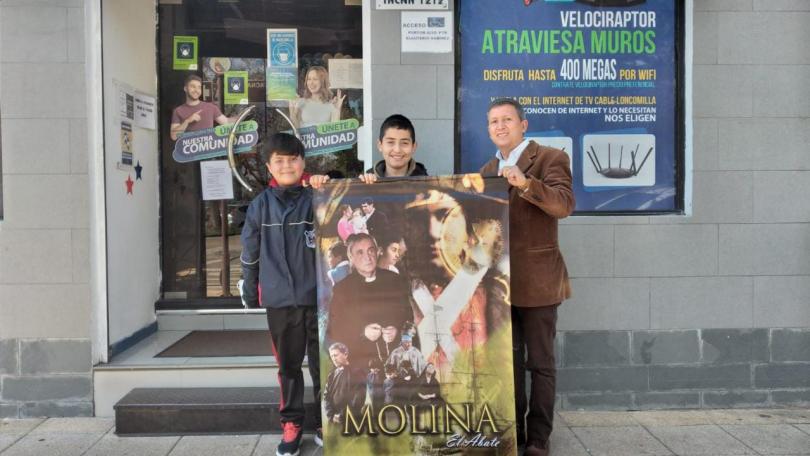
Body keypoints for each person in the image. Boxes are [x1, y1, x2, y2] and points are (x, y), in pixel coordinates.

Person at [479, 98, 575, 456]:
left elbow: (564, 205)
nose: (500, 126)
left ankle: (538, 438)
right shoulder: (488, 167)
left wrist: (526, 183)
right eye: (493, 122)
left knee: (541, 363)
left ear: (524, 124)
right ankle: (515, 433)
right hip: (500, 287)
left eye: (507, 120)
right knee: (509, 364)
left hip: (539, 282)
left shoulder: (550, 158)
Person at [239, 132, 329, 455]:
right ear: (268, 166)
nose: (287, 165)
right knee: (288, 367)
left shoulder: (318, 196)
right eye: (279, 160)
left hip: (319, 299)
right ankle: (291, 423)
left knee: (325, 366)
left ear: (303, 162)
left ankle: (324, 421)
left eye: (293, 159)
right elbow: (250, 253)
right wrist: (250, 291)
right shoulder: (260, 207)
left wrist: (325, 185)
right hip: (280, 301)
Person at [326, 233, 415, 372]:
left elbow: (408, 316)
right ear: (351, 257)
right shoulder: (342, 289)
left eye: (371, 250)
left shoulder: (394, 280)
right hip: (359, 364)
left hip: (394, 360)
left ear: (377, 252)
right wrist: (362, 332)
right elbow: (335, 330)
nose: (368, 257)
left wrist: (397, 331)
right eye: (360, 252)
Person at [360, 114, 428, 182]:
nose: (397, 150)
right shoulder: (368, 183)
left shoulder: (427, 185)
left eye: (404, 143)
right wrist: (364, 186)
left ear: (413, 147)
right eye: (390, 142)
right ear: (380, 145)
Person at [170, 74, 231, 140]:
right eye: (193, 86)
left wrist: (242, 116)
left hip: (208, 149)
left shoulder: (211, 107)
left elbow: (227, 122)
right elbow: (174, 136)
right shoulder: (178, 110)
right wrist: (187, 121)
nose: (196, 90)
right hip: (189, 149)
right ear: (185, 89)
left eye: (199, 87)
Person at [323, 343, 365, 426]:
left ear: (345, 354)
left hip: (351, 420)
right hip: (333, 420)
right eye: (332, 356)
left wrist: (343, 415)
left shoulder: (357, 372)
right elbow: (326, 396)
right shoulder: (332, 375)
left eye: (336, 355)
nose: (334, 359)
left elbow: (358, 398)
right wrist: (331, 415)